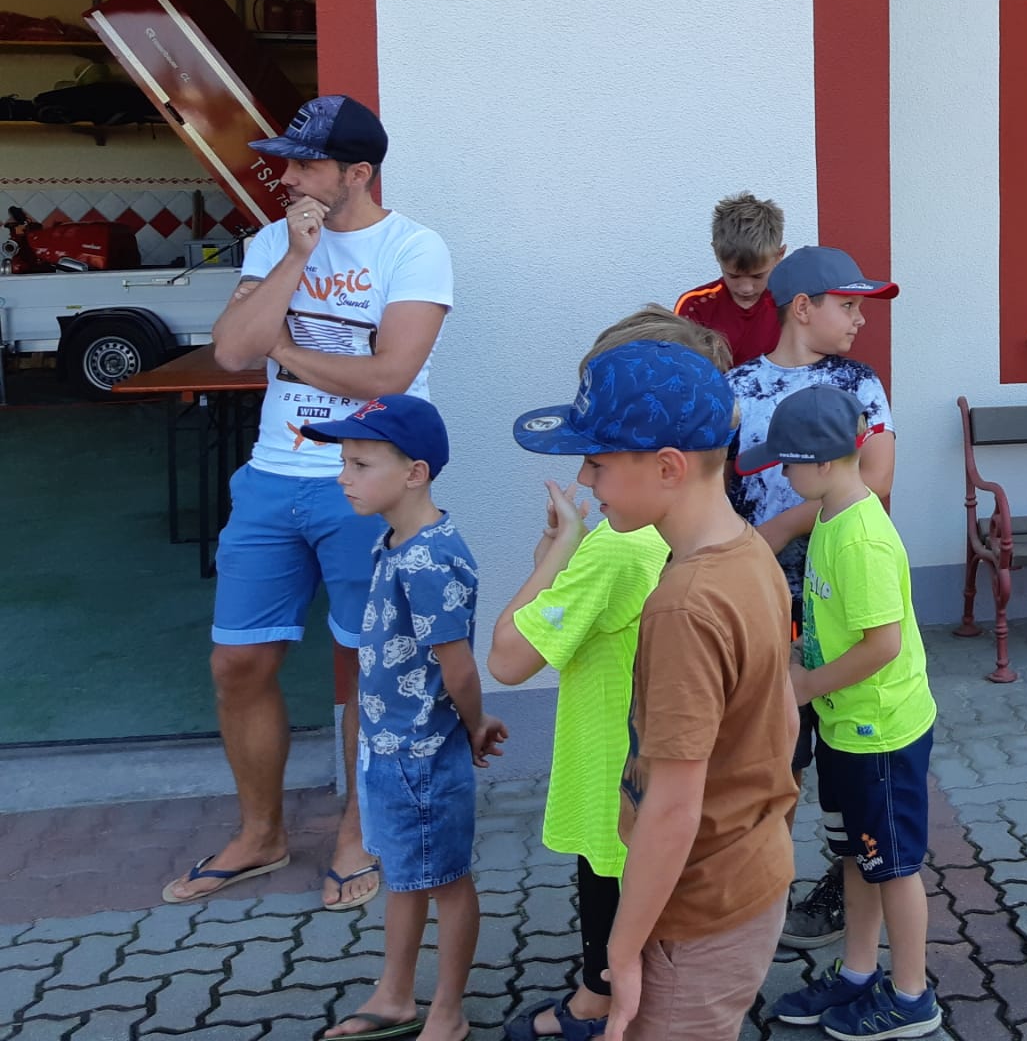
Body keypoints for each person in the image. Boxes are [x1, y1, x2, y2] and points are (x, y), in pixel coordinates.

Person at [165, 95, 453, 913]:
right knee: (238, 663)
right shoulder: (273, 240)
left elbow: (388, 377)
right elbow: (231, 351)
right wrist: (296, 257)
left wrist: (285, 350)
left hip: (367, 481)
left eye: (305, 164)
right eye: (285, 161)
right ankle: (261, 835)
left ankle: (359, 832)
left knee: (370, 666)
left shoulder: (415, 249)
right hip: (270, 479)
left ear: (357, 173)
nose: (285, 176)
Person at [515, 340, 798, 1040]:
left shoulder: (682, 604)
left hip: (693, 915)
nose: (585, 479)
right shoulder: (750, 553)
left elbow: (672, 808)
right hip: (749, 875)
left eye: (598, 462)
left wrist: (620, 950)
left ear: (668, 467)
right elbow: (782, 723)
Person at [491, 311, 731, 1041]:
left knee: (608, 888)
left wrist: (562, 546)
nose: (584, 475)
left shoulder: (613, 549)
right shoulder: (704, 534)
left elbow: (508, 656)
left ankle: (600, 1000)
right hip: (664, 769)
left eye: (597, 456)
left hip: (614, 771)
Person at [302, 395, 505, 1041]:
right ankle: (394, 995)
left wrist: (475, 724)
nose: (344, 477)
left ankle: (448, 1011)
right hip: (389, 750)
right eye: (344, 462)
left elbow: (458, 667)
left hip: (422, 756)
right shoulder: (393, 541)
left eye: (360, 464)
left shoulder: (428, 560)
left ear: (415, 473)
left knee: (447, 882)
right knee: (407, 876)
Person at [756, 387, 943, 1040]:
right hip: (845, 726)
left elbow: (882, 644)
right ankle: (858, 972)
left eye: (788, 463)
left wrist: (804, 686)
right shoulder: (828, 517)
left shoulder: (861, 537)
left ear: (823, 460)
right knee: (858, 858)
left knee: (893, 867)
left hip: (880, 733)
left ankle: (912, 996)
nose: (783, 475)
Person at [726, 245, 899, 949]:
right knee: (776, 744)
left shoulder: (860, 384)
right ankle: (762, 885)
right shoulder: (737, 387)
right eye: (847, 305)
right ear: (803, 308)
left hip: (834, 587)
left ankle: (843, 880)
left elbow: (876, 480)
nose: (860, 319)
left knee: (842, 744)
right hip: (761, 592)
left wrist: (780, 529)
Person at [674, 192, 788, 368]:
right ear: (716, 253)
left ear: (779, 255)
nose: (746, 288)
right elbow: (682, 368)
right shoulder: (695, 305)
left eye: (757, 276)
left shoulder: (791, 303)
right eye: (733, 276)